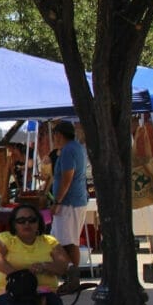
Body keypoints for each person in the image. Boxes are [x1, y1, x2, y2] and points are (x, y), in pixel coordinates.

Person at [49, 121, 86, 290]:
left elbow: (67, 178)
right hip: (74, 201)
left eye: (54, 134)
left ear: (59, 134)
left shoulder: (69, 150)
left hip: (69, 202)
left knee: (65, 243)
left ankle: (72, 278)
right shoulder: (75, 148)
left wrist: (57, 201)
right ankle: (72, 277)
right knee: (69, 241)